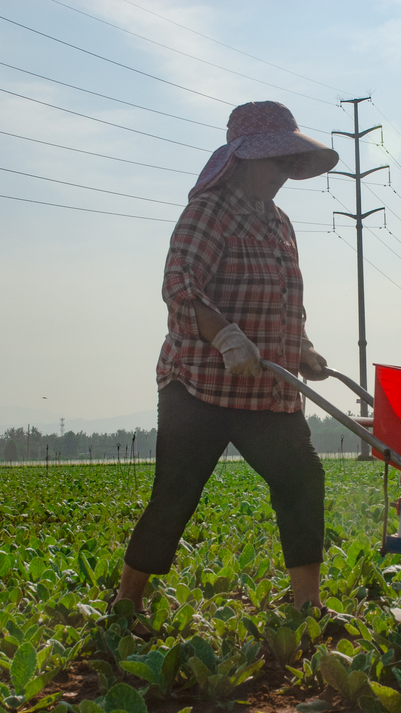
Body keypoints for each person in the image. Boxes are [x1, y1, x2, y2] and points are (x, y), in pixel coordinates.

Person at [114, 101, 339, 621]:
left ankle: (308, 607)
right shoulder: (208, 213)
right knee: (176, 494)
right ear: (243, 159)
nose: (282, 173)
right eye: (275, 161)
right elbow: (180, 285)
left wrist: (302, 348)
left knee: (303, 480)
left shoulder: (279, 224)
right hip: (199, 387)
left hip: (266, 389)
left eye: (288, 162)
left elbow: (284, 300)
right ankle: (126, 602)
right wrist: (226, 338)